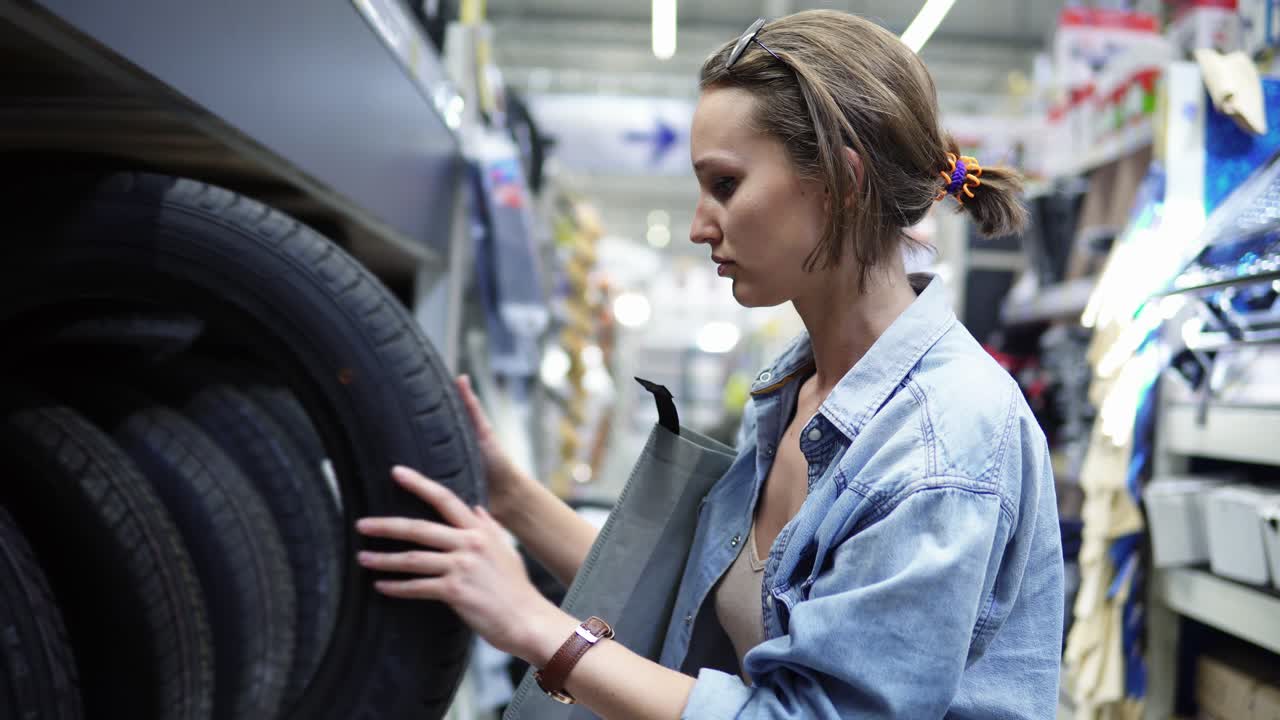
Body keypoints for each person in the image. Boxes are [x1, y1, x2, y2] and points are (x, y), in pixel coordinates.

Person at [356, 9, 1064, 718]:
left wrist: (539, 627)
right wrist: (509, 496)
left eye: (725, 185)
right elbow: (686, 595)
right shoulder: (803, 389)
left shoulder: (940, 447)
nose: (700, 225)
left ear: (844, 182)